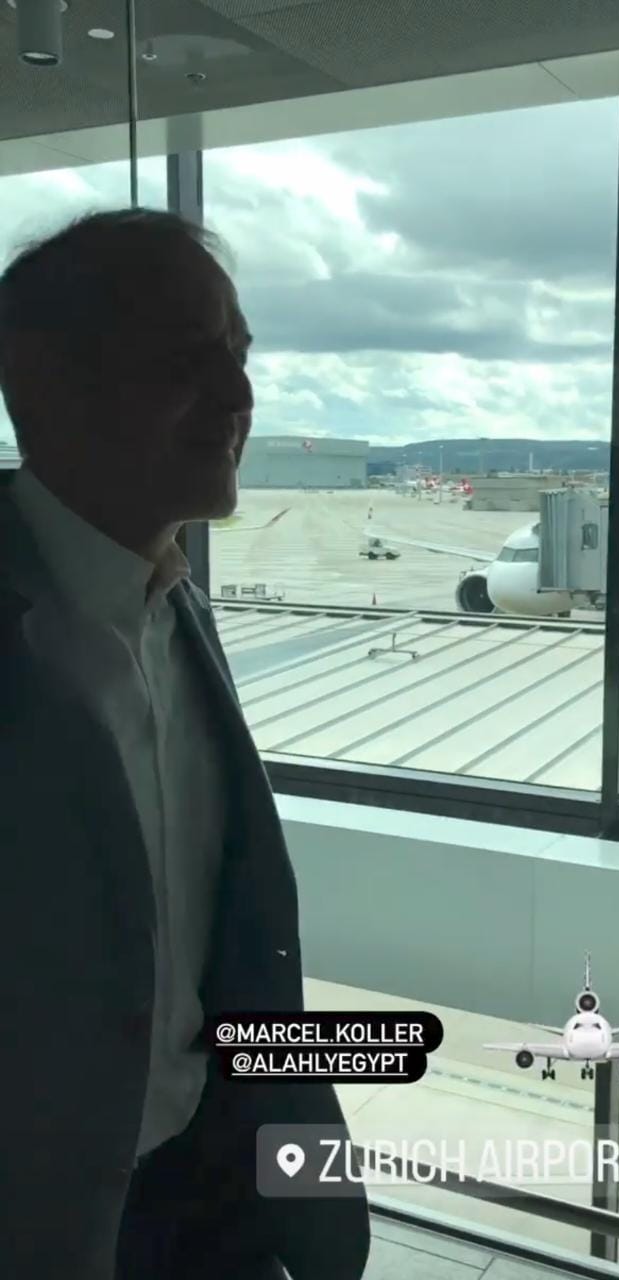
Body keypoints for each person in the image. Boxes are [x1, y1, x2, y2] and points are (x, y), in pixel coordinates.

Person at [0, 208, 370, 1279]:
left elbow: (236, 950)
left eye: (239, 353)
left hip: (216, 1200)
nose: (238, 395)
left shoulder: (176, 604)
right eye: (182, 358)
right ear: (43, 382)